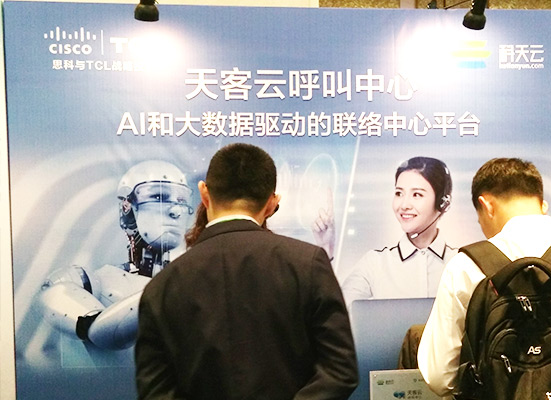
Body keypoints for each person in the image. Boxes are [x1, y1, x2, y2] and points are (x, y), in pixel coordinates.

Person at [135, 143, 359, 400]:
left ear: (204, 194)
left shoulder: (161, 286)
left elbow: (155, 391)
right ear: (272, 203)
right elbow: (340, 371)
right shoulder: (308, 264)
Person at [417, 157, 551, 398]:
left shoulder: (465, 267)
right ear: (543, 205)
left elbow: (439, 377)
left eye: (479, 219)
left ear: (487, 205)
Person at [39, 160, 194, 350]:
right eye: (158, 196)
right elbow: (99, 332)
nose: (176, 211)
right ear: (127, 206)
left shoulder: (195, 280)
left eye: (182, 201)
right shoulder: (92, 282)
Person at [341, 156, 457, 308]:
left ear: (442, 203)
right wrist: (326, 247)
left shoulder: (462, 263)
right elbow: (336, 313)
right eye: (399, 193)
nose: (404, 205)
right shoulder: (374, 264)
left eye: (417, 194)